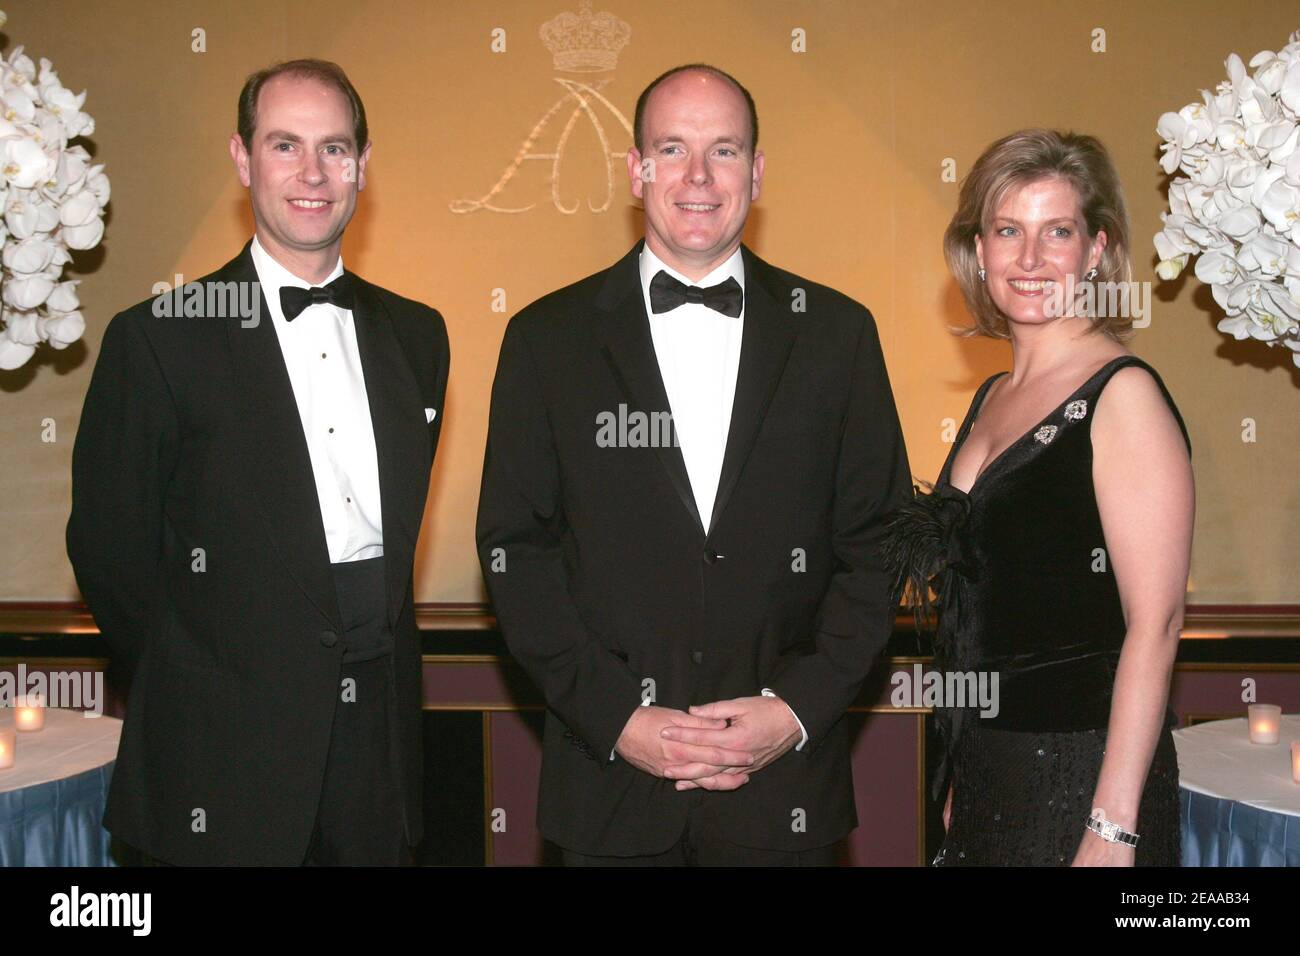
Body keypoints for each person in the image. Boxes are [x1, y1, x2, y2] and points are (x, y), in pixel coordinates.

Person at [476, 64, 911, 865]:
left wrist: (794, 711)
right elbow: (516, 553)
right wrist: (618, 719)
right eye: (673, 149)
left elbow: (880, 548)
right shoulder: (545, 340)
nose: (699, 177)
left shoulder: (838, 337)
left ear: (758, 171)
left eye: (725, 150)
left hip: (785, 797)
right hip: (610, 797)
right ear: (637, 170)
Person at [65, 59, 450, 865]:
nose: (312, 174)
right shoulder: (159, 339)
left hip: (378, 762)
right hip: (218, 759)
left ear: (362, 166)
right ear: (243, 160)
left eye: (334, 149)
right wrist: (214, 677)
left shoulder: (419, 336)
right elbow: (110, 555)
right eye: (285, 145)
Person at [885, 129, 1191, 866]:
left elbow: (1158, 624)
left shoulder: (1124, 396)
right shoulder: (994, 395)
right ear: (978, 249)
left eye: (1056, 232)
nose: (1028, 259)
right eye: (1007, 231)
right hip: (988, 768)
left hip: (1083, 776)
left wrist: (1112, 829)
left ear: (1095, 249)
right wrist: (960, 768)